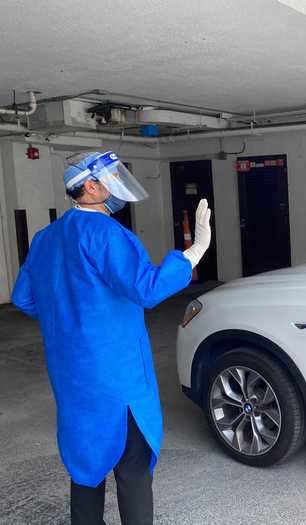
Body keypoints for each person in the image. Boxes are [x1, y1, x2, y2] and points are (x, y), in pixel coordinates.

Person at [11, 151, 212, 525]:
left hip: (71, 376)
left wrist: (67, 318)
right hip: (117, 377)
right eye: (109, 177)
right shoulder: (105, 233)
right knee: (133, 467)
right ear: (90, 185)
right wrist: (192, 253)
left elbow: (24, 298)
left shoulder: (45, 238)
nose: (116, 184)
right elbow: (147, 289)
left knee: (85, 466)